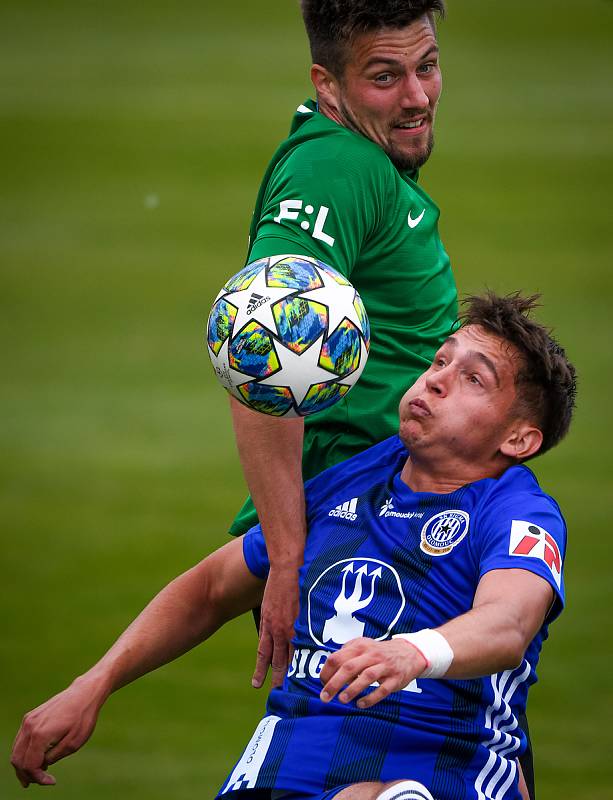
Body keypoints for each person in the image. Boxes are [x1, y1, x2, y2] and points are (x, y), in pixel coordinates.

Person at [12, 293, 576, 800]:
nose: (435, 380)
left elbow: (506, 624)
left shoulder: (514, 511)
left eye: (473, 380)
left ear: (519, 439)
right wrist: (95, 682)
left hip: (438, 768)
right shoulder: (353, 479)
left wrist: (413, 652)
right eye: (440, 361)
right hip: (276, 767)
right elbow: (210, 590)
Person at [229, 0, 456, 696]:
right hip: (363, 546)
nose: (417, 97)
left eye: (427, 67)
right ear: (327, 85)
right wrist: (291, 557)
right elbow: (260, 344)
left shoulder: (361, 158)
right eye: (385, 77)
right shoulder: (337, 169)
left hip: (390, 526)